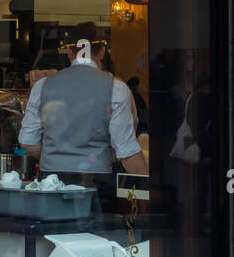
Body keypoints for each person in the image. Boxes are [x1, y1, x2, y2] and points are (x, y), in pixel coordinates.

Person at [18, 22, 147, 220]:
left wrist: (56, 154)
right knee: (95, 246)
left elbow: (27, 140)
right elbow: (127, 151)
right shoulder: (117, 88)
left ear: (69, 51)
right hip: (97, 184)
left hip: (52, 183)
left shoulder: (43, 86)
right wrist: (149, 190)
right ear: (102, 52)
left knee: (52, 241)